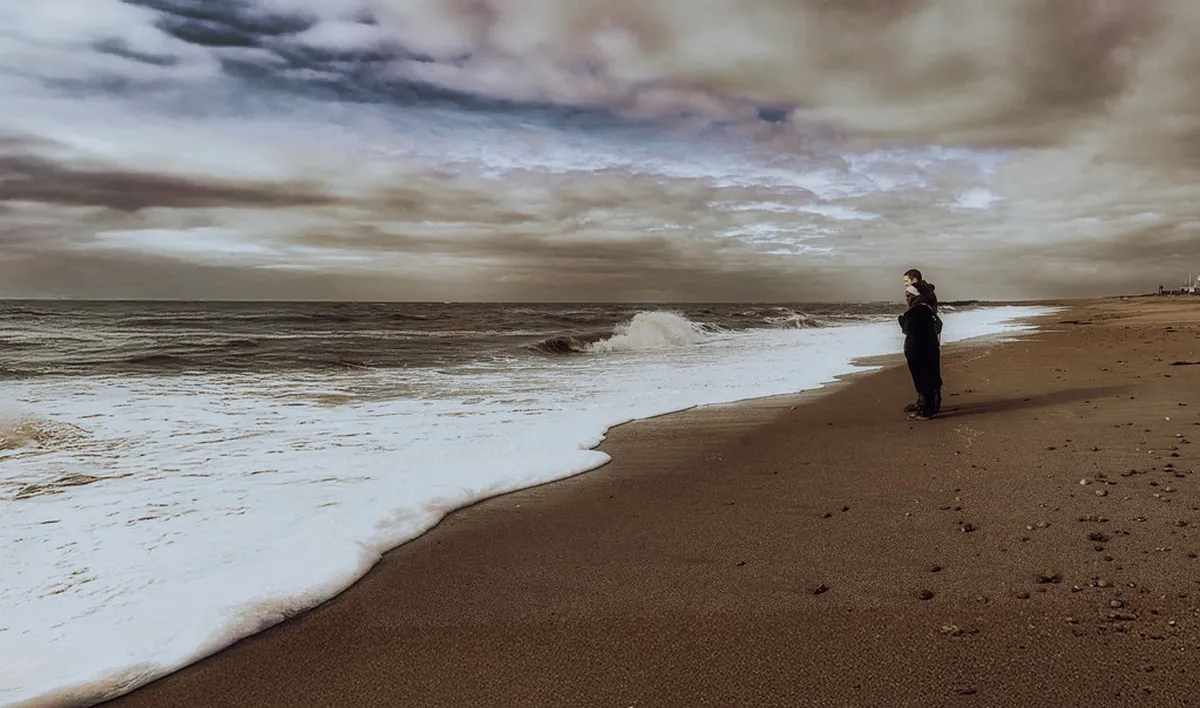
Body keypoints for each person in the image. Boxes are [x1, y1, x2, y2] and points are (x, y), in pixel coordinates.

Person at [897, 268, 942, 420]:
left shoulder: (923, 303)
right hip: (930, 340)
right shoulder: (926, 300)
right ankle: (925, 404)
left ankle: (929, 406)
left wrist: (903, 320)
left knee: (926, 376)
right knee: (929, 374)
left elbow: (909, 328)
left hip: (923, 344)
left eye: (906, 282)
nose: (906, 296)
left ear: (914, 281)